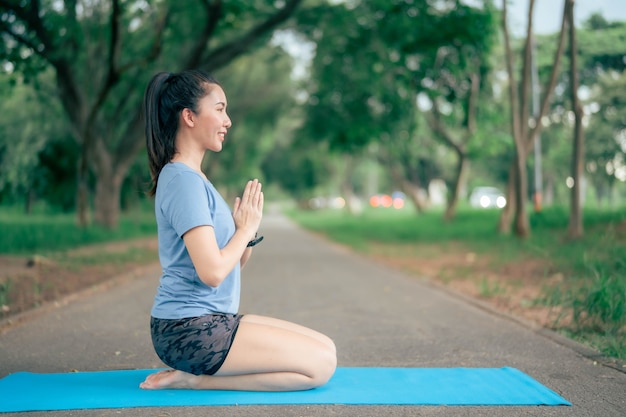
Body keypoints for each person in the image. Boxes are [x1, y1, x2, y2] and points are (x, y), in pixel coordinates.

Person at [140, 69, 336, 391]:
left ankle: (196, 374)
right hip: (187, 329)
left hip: (211, 319)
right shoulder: (182, 181)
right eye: (219, 109)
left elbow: (231, 266)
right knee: (320, 367)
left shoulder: (194, 179)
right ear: (189, 116)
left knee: (326, 348)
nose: (227, 120)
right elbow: (212, 273)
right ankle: (194, 380)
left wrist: (247, 233)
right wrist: (242, 231)